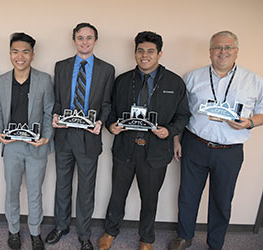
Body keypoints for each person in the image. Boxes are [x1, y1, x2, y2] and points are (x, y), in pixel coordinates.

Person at [169, 31, 263, 250]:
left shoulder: (253, 81)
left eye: (228, 47)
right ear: (210, 52)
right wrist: (176, 141)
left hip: (229, 151)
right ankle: (184, 236)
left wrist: (249, 122)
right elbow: (179, 113)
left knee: (222, 200)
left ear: (236, 51)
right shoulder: (193, 77)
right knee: (187, 195)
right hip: (195, 144)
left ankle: (215, 243)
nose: (223, 52)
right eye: (218, 48)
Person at [97, 31, 190, 250]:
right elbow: (111, 110)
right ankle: (110, 231)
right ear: (135, 53)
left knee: (150, 199)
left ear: (159, 53)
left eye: (150, 51)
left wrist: (169, 131)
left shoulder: (174, 82)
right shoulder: (122, 80)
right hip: (125, 149)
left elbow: (183, 115)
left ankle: (146, 238)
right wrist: (111, 126)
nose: (144, 55)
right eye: (140, 50)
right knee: (117, 194)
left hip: (156, 151)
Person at [45, 22, 115, 250]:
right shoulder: (61, 66)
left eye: (89, 38)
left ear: (95, 41)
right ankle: (61, 226)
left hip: (89, 137)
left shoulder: (106, 69)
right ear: (74, 40)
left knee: (86, 189)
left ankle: (84, 234)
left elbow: (106, 103)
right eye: (80, 38)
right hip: (64, 135)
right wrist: (55, 115)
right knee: (62, 185)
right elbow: (56, 100)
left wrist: (100, 122)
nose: (84, 42)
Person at [0, 32, 54, 250]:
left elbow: (49, 112)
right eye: (16, 51)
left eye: (25, 52)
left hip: (36, 146)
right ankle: (13, 231)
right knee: (12, 190)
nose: (20, 56)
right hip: (11, 146)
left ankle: (35, 232)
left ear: (33, 55)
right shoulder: (0, 82)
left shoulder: (44, 80)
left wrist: (46, 137)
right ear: (10, 54)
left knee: (35, 191)